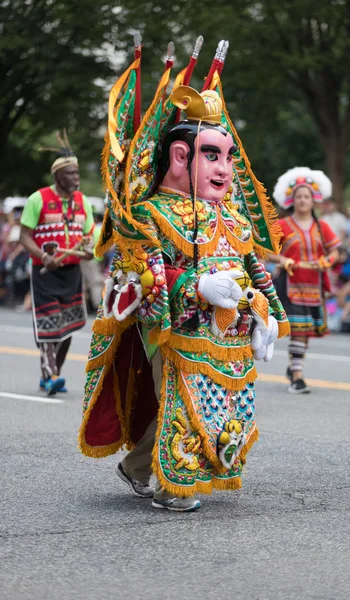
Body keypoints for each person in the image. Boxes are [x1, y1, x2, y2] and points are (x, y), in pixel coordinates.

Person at [78, 39, 290, 513]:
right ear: (179, 157)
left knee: (217, 408)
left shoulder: (233, 216)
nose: (226, 170)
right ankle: (172, 487)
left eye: (230, 158)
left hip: (228, 335)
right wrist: (192, 285)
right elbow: (140, 274)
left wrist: (269, 316)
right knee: (181, 400)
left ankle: (136, 466)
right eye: (213, 156)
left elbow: (253, 265)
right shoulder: (151, 213)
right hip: (174, 330)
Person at [19, 134, 94, 395]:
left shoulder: (83, 201)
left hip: (72, 272)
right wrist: (43, 255)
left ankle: (53, 373)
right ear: (58, 177)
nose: (76, 178)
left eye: (77, 173)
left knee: (69, 326)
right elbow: (24, 236)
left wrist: (87, 250)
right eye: (71, 174)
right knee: (49, 325)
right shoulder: (37, 199)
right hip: (45, 274)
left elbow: (88, 236)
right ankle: (50, 375)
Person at [268, 167, 341, 394]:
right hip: (292, 285)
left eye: (306, 196)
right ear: (292, 200)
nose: (302, 200)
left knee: (306, 331)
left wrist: (327, 261)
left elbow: (335, 251)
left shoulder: (322, 227)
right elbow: (266, 251)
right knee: (299, 330)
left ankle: (294, 367)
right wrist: (283, 261)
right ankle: (297, 377)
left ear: (313, 200)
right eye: (298, 196)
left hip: (314, 285)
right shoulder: (282, 225)